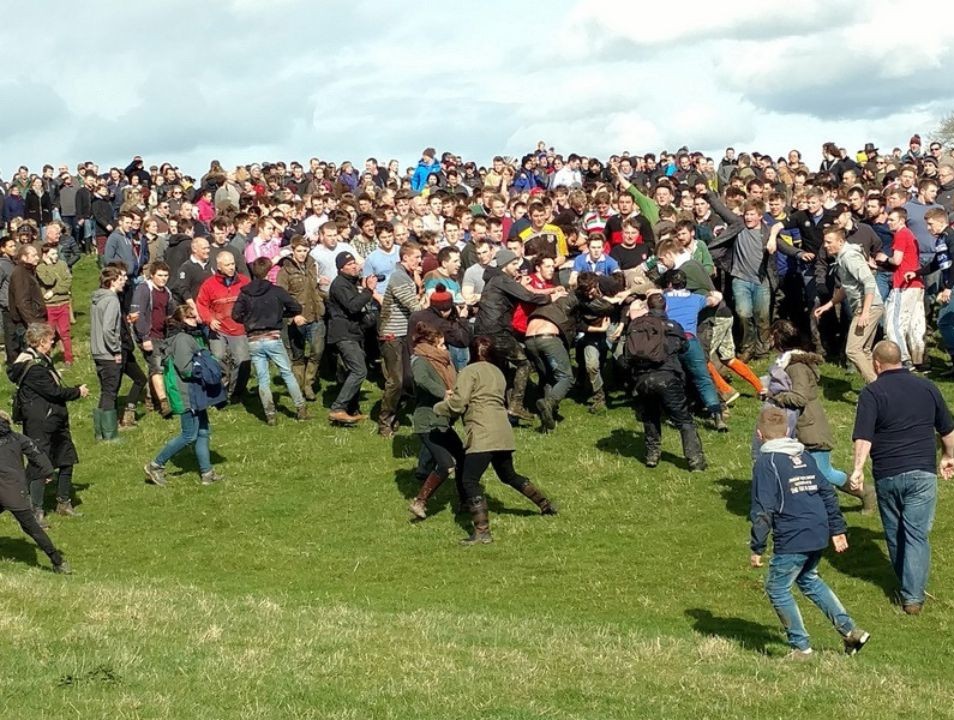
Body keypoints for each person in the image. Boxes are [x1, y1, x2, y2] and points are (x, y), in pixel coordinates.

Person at [749, 406, 870, 660]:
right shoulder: (803, 456)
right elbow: (827, 491)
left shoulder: (766, 461)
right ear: (788, 431)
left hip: (793, 534)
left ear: (760, 435)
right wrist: (837, 528)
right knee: (808, 579)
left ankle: (800, 647)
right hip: (818, 530)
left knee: (777, 588)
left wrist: (757, 546)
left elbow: (763, 508)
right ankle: (851, 632)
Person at [850, 340, 954, 614]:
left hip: (888, 474)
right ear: (901, 360)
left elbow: (863, 437)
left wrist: (858, 469)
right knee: (916, 535)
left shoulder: (872, 393)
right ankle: (913, 597)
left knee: (895, 533)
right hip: (922, 472)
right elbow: (947, 429)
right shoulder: (927, 387)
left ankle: (907, 588)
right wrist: (948, 456)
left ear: (876, 363)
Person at [434, 335, 557, 545]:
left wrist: (438, 408)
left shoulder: (469, 372)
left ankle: (482, 531)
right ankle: (545, 504)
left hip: (482, 432)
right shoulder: (498, 373)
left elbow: (458, 403)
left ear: (473, 352)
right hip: (503, 430)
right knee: (508, 474)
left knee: (469, 480)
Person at [763, 320, 875, 512]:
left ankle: (866, 492)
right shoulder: (788, 363)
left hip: (810, 429)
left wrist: (773, 395)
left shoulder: (796, 367)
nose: (770, 340)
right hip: (802, 427)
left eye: (773, 336)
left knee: (824, 472)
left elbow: (799, 398)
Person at [8, 323, 89, 524]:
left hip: (54, 419)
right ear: (41, 342)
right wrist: (78, 392)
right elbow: (53, 392)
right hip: (41, 422)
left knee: (66, 460)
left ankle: (63, 502)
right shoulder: (34, 367)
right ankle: (36, 510)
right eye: (50, 338)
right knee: (39, 466)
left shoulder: (39, 359)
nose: (53, 341)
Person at [144, 305, 223, 487]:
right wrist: (206, 370)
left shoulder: (188, 337)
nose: (195, 320)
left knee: (203, 432)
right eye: (191, 317)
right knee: (189, 434)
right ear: (181, 321)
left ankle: (207, 472)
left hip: (196, 392)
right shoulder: (182, 339)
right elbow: (185, 368)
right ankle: (155, 465)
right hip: (186, 393)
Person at [625, 293, 707, 471]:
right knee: (684, 419)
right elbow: (684, 347)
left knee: (650, 416)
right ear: (666, 308)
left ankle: (652, 456)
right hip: (667, 377)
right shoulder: (673, 326)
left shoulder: (636, 325)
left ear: (647, 307)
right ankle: (695, 461)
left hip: (642, 379)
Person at [231, 257, 308, 425]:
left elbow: (235, 315)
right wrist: (281, 315)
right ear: (268, 271)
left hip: (253, 339)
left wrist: (248, 321)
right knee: (287, 373)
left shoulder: (245, 292)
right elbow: (296, 307)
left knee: (262, 379)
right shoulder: (276, 291)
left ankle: (270, 414)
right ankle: (300, 408)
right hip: (273, 336)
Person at [0, 410, 71, 574]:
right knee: (32, 528)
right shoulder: (17, 438)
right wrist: (47, 473)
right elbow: (37, 454)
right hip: (14, 490)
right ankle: (57, 561)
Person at [407, 322, 465, 519]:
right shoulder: (420, 360)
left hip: (442, 422)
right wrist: (444, 393)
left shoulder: (442, 362)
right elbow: (421, 380)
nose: (445, 349)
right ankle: (420, 501)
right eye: (441, 345)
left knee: (463, 458)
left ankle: (465, 500)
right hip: (428, 422)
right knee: (446, 464)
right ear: (431, 345)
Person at [813, 226, 883, 383]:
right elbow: (847, 286)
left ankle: (877, 386)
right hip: (870, 306)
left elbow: (869, 282)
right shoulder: (843, 256)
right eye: (825, 242)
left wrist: (865, 312)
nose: (825, 246)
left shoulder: (849, 257)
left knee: (852, 350)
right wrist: (829, 304)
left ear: (840, 241)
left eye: (828, 242)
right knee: (863, 351)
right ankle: (879, 385)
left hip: (868, 307)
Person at [90, 266, 146, 439]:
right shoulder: (112, 300)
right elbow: (108, 329)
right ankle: (110, 433)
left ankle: (100, 432)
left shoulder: (97, 298)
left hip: (97, 350)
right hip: (108, 353)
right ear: (112, 281)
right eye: (121, 279)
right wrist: (115, 349)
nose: (124, 282)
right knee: (110, 391)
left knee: (106, 390)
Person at [376, 242, 424, 436]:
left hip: (404, 333)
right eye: (416, 258)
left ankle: (395, 414)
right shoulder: (399, 277)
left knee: (407, 379)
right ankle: (384, 422)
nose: (419, 261)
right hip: (392, 335)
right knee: (395, 381)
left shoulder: (407, 276)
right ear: (405, 258)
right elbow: (415, 307)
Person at [326, 252, 377, 424]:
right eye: (349, 264)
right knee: (359, 370)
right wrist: (369, 290)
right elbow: (353, 306)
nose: (354, 266)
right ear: (341, 268)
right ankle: (338, 408)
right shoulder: (340, 285)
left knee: (351, 370)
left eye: (355, 263)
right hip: (343, 334)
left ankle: (351, 409)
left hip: (352, 332)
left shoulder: (349, 283)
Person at [196, 252, 251, 403]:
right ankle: (222, 388)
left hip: (239, 328)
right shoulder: (209, 284)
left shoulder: (244, 282)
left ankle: (237, 391)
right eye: (227, 265)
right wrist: (209, 319)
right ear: (218, 266)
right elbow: (201, 304)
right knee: (218, 358)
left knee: (243, 361)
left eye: (232, 264)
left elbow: (252, 302)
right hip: (218, 329)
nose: (231, 267)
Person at [276, 236, 326, 402]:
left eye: (305, 250)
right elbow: (281, 297)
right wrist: (294, 314)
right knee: (297, 354)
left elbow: (314, 288)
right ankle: (299, 384)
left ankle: (309, 382)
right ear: (293, 251)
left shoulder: (313, 265)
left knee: (317, 351)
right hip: (297, 318)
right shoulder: (285, 271)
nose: (302, 254)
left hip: (316, 314)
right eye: (299, 251)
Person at [132, 262, 175, 416]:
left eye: (166, 276)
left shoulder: (167, 292)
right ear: (152, 275)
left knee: (156, 366)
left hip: (163, 335)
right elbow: (139, 314)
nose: (163, 279)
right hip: (148, 335)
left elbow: (171, 313)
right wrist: (144, 337)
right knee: (157, 367)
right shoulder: (144, 289)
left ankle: (150, 399)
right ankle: (164, 404)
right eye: (160, 276)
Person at [36, 243, 74, 366]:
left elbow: (68, 281)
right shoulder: (40, 268)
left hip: (62, 303)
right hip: (50, 305)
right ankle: (47, 359)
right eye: (52, 254)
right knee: (49, 334)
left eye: (56, 253)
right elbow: (49, 280)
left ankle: (69, 358)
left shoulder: (62, 264)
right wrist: (48, 265)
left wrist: (53, 291)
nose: (56, 256)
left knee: (65, 333)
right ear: (45, 255)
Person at [8, 244, 46, 362]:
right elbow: (22, 302)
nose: (37, 258)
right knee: (31, 358)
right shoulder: (20, 273)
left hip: (33, 319)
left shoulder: (28, 271)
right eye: (33, 255)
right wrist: (33, 324)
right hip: (27, 323)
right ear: (24, 257)